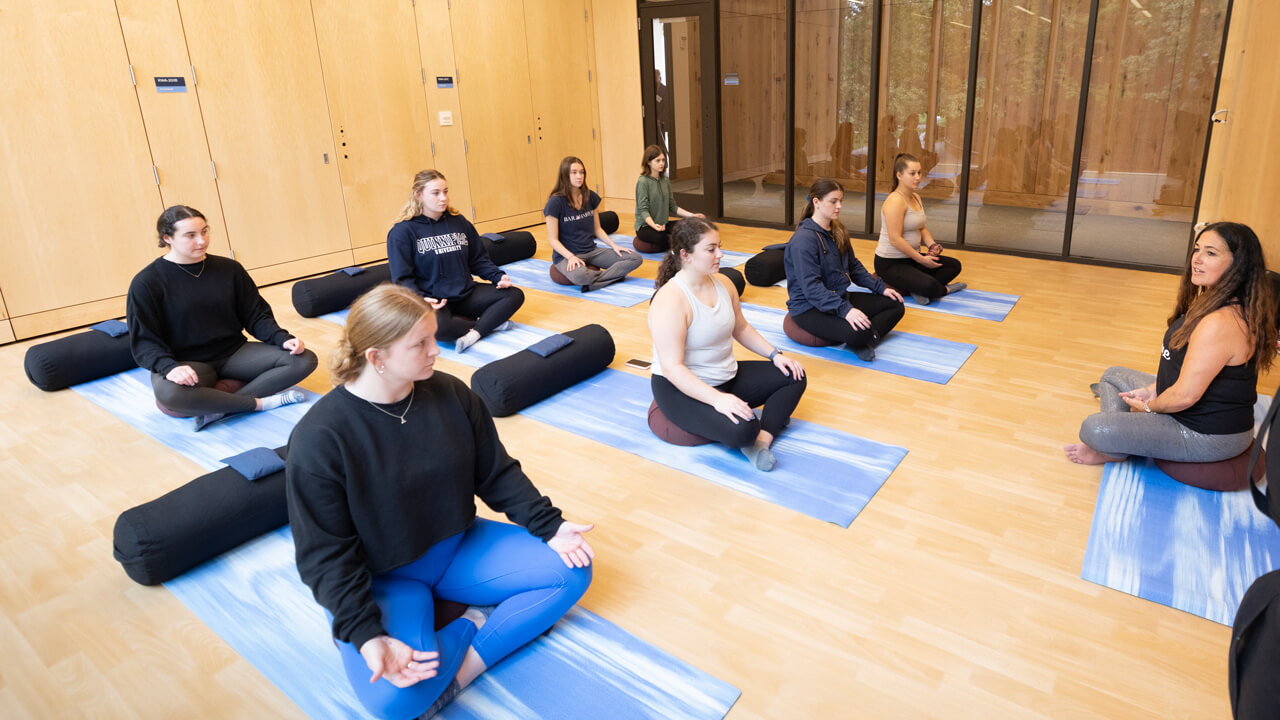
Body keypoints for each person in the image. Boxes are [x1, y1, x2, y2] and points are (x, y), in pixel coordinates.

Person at [287, 284, 594, 719]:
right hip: (385, 579)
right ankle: (469, 620)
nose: (437, 350)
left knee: (572, 570)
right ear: (377, 357)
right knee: (393, 703)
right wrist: (367, 635)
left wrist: (550, 526)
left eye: (434, 337)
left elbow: (496, 472)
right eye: (421, 343)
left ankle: (464, 665)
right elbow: (323, 555)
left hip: (457, 548)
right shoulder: (320, 439)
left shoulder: (450, 393)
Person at [1065, 222, 1278, 465]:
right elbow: (1180, 367)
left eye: (1210, 253)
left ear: (1238, 265)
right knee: (1113, 376)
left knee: (1094, 429)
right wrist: (1153, 389)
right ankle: (1120, 443)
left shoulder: (1222, 323)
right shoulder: (1213, 300)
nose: (1196, 259)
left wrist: (1148, 407)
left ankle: (1113, 446)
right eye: (1197, 249)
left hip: (1207, 435)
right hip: (1186, 408)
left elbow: (1185, 396)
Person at [126, 205, 317, 431]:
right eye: (190, 235)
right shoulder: (146, 282)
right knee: (172, 396)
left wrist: (282, 338)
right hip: (186, 362)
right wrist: (169, 368)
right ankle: (259, 403)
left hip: (234, 353)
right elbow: (145, 340)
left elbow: (255, 314)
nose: (201, 240)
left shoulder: (230, 269)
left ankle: (221, 408)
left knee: (304, 359)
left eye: (204, 231)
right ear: (167, 238)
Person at [649, 218, 807, 471]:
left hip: (726, 376)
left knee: (794, 375)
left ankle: (761, 441)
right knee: (744, 429)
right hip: (679, 388)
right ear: (686, 255)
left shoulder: (725, 284)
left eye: (719, 247)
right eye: (711, 249)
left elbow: (741, 328)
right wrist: (718, 401)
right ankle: (750, 436)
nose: (720, 254)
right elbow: (672, 368)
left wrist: (775, 355)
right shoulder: (670, 299)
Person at [388, 169, 523, 353]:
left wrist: (498, 276)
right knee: (439, 329)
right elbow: (402, 279)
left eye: (445, 191)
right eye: (435, 193)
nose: (443, 198)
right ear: (419, 195)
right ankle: (489, 323)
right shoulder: (402, 232)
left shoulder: (459, 222)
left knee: (514, 295)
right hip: (434, 300)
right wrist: (420, 299)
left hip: (465, 293)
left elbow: (478, 259)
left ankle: (475, 333)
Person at [785, 178, 904, 362]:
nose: (839, 206)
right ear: (816, 202)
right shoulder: (803, 240)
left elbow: (854, 266)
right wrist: (846, 310)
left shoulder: (838, 230)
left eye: (841, 201)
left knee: (896, 304)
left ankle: (865, 341)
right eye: (833, 201)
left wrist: (881, 288)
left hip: (838, 298)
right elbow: (812, 289)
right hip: (809, 308)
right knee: (861, 330)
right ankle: (863, 338)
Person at [873, 152, 965, 305]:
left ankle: (910, 287)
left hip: (911, 259)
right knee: (930, 286)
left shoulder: (916, 197)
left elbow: (921, 228)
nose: (918, 177)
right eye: (912, 173)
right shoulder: (895, 201)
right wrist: (922, 260)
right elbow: (895, 239)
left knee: (954, 265)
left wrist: (932, 245)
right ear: (899, 175)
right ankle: (942, 290)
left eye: (919, 172)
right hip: (891, 263)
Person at [545, 156, 642, 292]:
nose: (579, 176)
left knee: (635, 258)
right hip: (566, 255)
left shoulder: (589, 196)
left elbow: (597, 229)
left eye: (582, 172)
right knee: (580, 276)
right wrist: (571, 257)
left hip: (591, 251)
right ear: (565, 175)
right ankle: (614, 277)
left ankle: (595, 282)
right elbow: (553, 240)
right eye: (574, 172)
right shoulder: (555, 202)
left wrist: (614, 246)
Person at [633, 145, 705, 253]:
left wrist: (692, 215)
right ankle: (682, 244)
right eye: (657, 161)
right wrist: (654, 225)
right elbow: (643, 210)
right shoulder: (643, 182)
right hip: (646, 227)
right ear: (648, 162)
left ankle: (680, 242)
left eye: (663, 160)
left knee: (689, 226)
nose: (661, 163)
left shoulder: (665, 181)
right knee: (660, 238)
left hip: (663, 224)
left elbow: (672, 206)